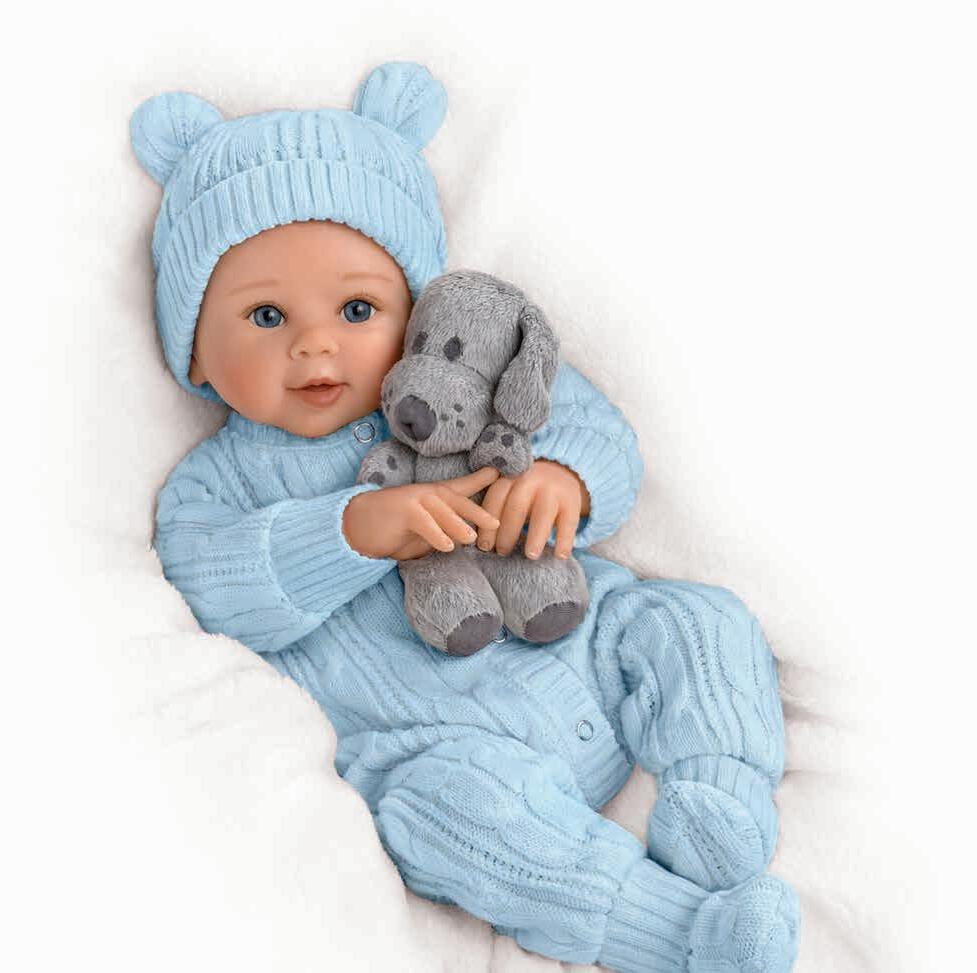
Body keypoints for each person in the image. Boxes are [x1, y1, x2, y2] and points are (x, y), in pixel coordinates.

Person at [131, 60, 800, 972]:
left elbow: (590, 428)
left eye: (357, 307)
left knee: (698, 622)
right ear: (194, 357)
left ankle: (717, 798)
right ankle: (682, 933)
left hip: (580, 635)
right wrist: (353, 530)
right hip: (437, 744)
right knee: (452, 817)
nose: (315, 342)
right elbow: (218, 586)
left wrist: (564, 479)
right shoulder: (213, 486)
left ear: (414, 312)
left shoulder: (466, 380)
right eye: (265, 316)